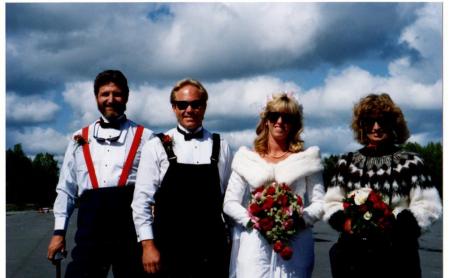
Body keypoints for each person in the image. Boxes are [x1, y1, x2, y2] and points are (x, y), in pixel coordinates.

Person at [47, 70, 153, 277]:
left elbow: (155, 189)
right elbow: (66, 190)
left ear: (127, 97)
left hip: (130, 228)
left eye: (117, 94)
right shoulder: (79, 137)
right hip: (90, 226)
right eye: (105, 94)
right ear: (96, 97)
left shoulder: (146, 137)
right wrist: (58, 232)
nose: (111, 100)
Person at [323, 93, 442, 278]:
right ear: (361, 125)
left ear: (393, 123)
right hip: (354, 259)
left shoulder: (412, 162)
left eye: (382, 121)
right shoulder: (346, 163)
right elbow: (330, 203)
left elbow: (429, 206)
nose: (376, 127)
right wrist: (346, 222)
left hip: (399, 259)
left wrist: (400, 225)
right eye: (370, 121)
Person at [132, 78, 233, 277]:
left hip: (212, 249)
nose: (189, 110)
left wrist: (235, 243)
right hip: (169, 249)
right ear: (174, 108)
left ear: (204, 107)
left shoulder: (222, 146)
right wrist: (148, 246)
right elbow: (141, 202)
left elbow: (230, 201)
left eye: (196, 104)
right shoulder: (156, 146)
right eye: (182, 105)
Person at [223, 93, 325, 278]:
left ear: (295, 123)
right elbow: (229, 203)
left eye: (287, 117)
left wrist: (299, 221)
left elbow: (320, 203)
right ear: (266, 121)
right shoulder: (246, 159)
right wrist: (253, 221)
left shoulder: (307, 159)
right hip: (255, 244)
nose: (280, 121)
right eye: (274, 116)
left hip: (295, 243)